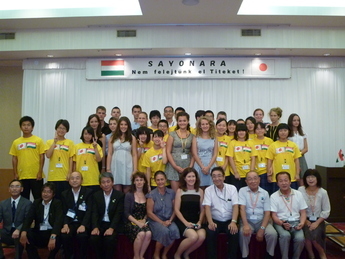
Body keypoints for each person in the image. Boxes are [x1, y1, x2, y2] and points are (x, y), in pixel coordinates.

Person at [238, 171, 277, 259]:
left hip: (262, 221)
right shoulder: (242, 191)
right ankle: (245, 256)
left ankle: (269, 255)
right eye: (250, 179)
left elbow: (267, 213)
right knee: (243, 233)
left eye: (255, 178)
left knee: (272, 234)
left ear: (259, 180)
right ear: (246, 181)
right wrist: (246, 225)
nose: (253, 181)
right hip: (247, 221)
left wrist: (262, 228)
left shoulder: (265, 193)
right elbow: (242, 209)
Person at [202, 167, 239, 259]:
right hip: (215, 220)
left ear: (224, 177)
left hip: (229, 220)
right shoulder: (208, 190)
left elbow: (235, 206)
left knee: (234, 233)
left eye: (219, 176)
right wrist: (210, 222)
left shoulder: (232, 188)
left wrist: (234, 221)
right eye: (214, 176)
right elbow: (207, 207)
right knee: (210, 233)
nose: (216, 178)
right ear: (212, 178)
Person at [20, 182, 63, 259]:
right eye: (44, 191)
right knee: (28, 234)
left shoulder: (57, 203)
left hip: (51, 231)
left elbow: (58, 221)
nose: (45, 194)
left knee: (60, 236)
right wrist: (24, 231)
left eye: (49, 192)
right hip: (39, 231)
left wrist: (53, 236)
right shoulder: (37, 202)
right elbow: (29, 218)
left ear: (53, 194)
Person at [270, 172, 307, 259]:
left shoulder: (298, 194)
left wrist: (302, 223)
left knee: (300, 239)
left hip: (296, 222)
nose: (284, 183)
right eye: (281, 181)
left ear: (290, 182)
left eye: (286, 180)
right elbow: (273, 215)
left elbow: (303, 212)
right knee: (285, 235)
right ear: (277, 183)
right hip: (281, 222)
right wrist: (281, 223)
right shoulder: (273, 196)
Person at [90, 172, 124, 259]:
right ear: (100, 184)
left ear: (112, 182)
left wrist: (111, 228)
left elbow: (118, 214)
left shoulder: (119, 195)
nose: (106, 184)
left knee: (110, 239)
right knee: (94, 238)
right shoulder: (96, 195)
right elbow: (94, 213)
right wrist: (95, 227)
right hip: (100, 224)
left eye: (108, 182)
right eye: (103, 182)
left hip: (113, 224)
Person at [9, 116, 45, 200]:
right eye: (24, 125)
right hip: (22, 175)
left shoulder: (38, 140)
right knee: (24, 199)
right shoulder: (16, 142)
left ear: (32, 127)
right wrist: (15, 173)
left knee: (38, 198)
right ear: (20, 127)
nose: (26, 127)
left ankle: (38, 213)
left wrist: (40, 171)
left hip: (36, 175)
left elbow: (42, 157)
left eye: (28, 125)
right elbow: (14, 158)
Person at [146, 171, 180, 259]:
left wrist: (170, 220)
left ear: (165, 180)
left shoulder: (172, 192)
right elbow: (149, 213)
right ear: (155, 181)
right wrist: (162, 222)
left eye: (162, 179)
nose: (160, 182)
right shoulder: (151, 194)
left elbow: (175, 209)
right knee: (164, 231)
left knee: (174, 230)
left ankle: (164, 254)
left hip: (169, 219)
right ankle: (156, 254)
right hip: (155, 220)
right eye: (158, 180)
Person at [298, 169, 330, 259]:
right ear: (305, 179)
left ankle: (322, 254)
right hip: (304, 219)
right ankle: (311, 254)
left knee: (314, 236)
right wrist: (305, 221)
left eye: (313, 177)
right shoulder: (301, 190)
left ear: (317, 179)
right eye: (308, 177)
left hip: (318, 220)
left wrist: (316, 223)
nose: (310, 179)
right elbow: (298, 208)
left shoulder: (323, 192)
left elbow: (326, 210)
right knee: (307, 235)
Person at [174, 168, 206, 259]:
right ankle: (177, 254)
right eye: (189, 177)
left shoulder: (200, 191)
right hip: (183, 221)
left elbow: (202, 209)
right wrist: (186, 223)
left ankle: (186, 253)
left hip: (196, 220)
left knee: (202, 237)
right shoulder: (180, 191)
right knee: (193, 237)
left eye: (193, 176)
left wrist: (200, 221)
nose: (191, 179)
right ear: (184, 178)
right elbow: (176, 210)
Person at [60, 171, 93, 259]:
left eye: (77, 178)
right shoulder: (64, 194)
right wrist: (65, 224)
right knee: (65, 236)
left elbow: (89, 211)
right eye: (72, 178)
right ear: (69, 181)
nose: (75, 180)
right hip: (70, 223)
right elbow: (63, 211)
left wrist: (83, 225)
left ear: (81, 180)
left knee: (82, 236)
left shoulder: (88, 192)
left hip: (82, 222)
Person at [0, 180, 31, 259]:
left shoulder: (27, 203)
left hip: (20, 231)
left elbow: (27, 220)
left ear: (22, 189)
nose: (14, 189)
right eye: (12, 186)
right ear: (9, 189)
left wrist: (18, 229)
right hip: (6, 231)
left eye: (17, 186)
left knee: (19, 236)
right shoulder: (3, 203)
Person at [124, 172, 152, 259]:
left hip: (143, 221)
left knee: (148, 233)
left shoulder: (148, 195)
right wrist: (138, 223)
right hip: (131, 222)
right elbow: (126, 213)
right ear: (134, 182)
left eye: (141, 180)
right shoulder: (129, 195)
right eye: (137, 180)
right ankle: (136, 256)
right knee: (141, 234)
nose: (139, 182)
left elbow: (149, 211)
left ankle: (141, 256)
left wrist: (144, 220)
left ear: (144, 182)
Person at [266, 123, 301, 192]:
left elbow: (296, 160)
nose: (283, 133)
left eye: (285, 130)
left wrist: (297, 174)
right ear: (277, 132)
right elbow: (269, 160)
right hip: (276, 177)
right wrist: (269, 175)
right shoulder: (273, 145)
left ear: (288, 132)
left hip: (291, 177)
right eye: (281, 131)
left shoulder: (293, 145)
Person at [45, 119, 75, 199]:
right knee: (53, 200)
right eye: (60, 128)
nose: (61, 130)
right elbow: (48, 155)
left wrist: (70, 173)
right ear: (56, 128)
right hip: (53, 176)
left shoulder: (70, 143)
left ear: (67, 131)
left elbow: (71, 158)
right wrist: (54, 142)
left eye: (64, 128)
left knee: (65, 199)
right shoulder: (49, 142)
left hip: (65, 176)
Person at [107, 116, 138, 193]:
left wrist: (135, 169)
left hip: (128, 165)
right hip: (115, 165)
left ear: (128, 126)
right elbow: (110, 153)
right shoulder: (112, 137)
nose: (123, 126)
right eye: (121, 124)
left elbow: (134, 154)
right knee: (116, 189)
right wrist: (108, 169)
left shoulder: (132, 138)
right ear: (118, 125)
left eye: (125, 124)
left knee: (127, 189)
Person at [166, 112, 195, 192]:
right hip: (174, 166)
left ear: (188, 121)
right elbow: (168, 152)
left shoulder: (192, 136)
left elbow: (193, 153)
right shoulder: (172, 134)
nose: (182, 123)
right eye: (180, 121)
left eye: (184, 120)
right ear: (177, 122)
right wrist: (175, 166)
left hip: (187, 166)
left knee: (187, 192)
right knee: (175, 193)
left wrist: (190, 167)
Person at [227, 123, 257, 191]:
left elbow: (253, 158)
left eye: (243, 131)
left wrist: (251, 172)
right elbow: (230, 158)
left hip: (248, 173)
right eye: (239, 131)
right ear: (236, 132)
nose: (241, 133)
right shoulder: (233, 143)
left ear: (246, 132)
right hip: (236, 173)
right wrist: (235, 172)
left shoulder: (251, 143)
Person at [73, 126, 103, 192]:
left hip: (93, 179)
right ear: (82, 135)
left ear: (92, 135)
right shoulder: (77, 146)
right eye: (85, 134)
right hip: (80, 179)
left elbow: (99, 160)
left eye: (89, 134)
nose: (87, 136)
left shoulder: (97, 146)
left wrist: (95, 147)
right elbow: (74, 162)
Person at [192, 116, 218, 188]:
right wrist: (203, 167)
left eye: (206, 124)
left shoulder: (214, 138)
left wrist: (208, 167)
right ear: (200, 126)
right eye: (203, 124)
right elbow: (194, 153)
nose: (205, 126)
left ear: (210, 125)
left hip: (211, 164)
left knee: (212, 188)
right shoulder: (195, 137)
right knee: (199, 187)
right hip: (199, 165)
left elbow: (215, 154)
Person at [252, 122, 274, 194]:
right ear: (254, 130)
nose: (260, 131)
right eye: (257, 129)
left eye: (261, 128)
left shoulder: (270, 141)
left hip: (266, 171)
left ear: (265, 130)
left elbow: (273, 156)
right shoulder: (251, 142)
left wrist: (270, 169)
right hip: (256, 171)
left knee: (266, 193)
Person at [288, 113, 308, 183]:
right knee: (292, 176)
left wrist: (298, 154)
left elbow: (306, 148)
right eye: (294, 120)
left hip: (301, 155)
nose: (296, 122)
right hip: (290, 156)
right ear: (290, 121)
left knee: (302, 176)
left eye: (298, 120)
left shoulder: (302, 132)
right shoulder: (288, 132)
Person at [215, 118, 231, 183]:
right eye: (219, 125)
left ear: (226, 127)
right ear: (216, 126)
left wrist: (224, 166)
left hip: (225, 169)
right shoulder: (212, 138)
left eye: (224, 126)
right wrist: (216, 165)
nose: (221, 127)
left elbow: (228, 155)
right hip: (214, 166)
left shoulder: (229, 139)